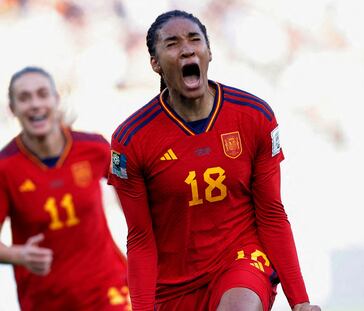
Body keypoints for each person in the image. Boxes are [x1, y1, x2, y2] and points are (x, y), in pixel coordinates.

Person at [108, 10, 321, 311]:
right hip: (174, 285)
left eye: (195, 40)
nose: (186, 49)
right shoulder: (132, 139)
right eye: (172, 44)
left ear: (209, 52)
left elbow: (272, 213)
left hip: (241, 261)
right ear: (155, 64)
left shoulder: (253, 116)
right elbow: (140, 239)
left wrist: (300, 301)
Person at [0, 66, 130, 311]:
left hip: (108, 288)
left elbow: (134, 190)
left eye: (42, 94)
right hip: (45, 299)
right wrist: (18, 256)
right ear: (13, 109)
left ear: (56, 100)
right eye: (25, 98)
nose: (35, 104)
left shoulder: (96, 147)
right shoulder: (5, 168)